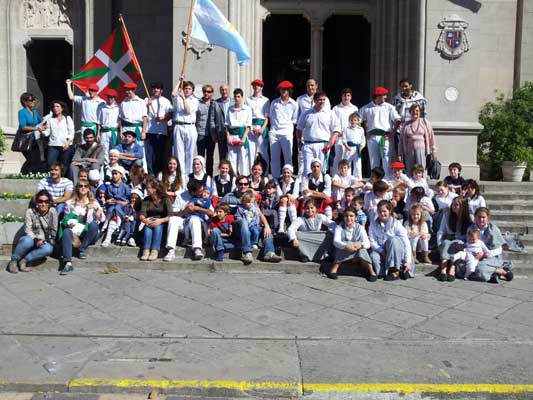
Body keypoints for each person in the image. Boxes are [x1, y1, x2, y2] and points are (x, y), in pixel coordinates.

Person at [59, 179, 105, 274]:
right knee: (66, 231)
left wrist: (97, 210)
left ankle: (82, 249)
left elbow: (102, 219)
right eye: (80, 186)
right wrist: (70, 222)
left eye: (85, 186)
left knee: (94, 225)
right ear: (77, 188)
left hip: (89, 233)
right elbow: (66, 219)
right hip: (75, 231)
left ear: (88, 189)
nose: (83, 188)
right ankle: (68, 263)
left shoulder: (94, 202)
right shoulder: (70, 203)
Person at [7, 190, 58, 273]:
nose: (43, 204)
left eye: (46, 201)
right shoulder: (30, 212)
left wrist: (47, 240)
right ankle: (14, 261)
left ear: (49, 202)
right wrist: (36, 240)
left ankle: (24, 260)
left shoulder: (52, 211)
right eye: (40, 201)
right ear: (37, 202)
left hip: (44, 240)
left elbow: (54, 229)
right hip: (31, 238)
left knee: (48, 249)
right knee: (27, 241)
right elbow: (28, 229)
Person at [166, 180, 215, 261]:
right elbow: (174, 212)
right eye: (200, 191)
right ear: (192, 192)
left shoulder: (204, 196)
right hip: (184, 221)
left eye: (202, 190)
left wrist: (198, 208)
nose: (202, 192)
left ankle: (197, 249)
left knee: (194, 219)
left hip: (199, 223)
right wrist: (185, 211)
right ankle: (171, 250)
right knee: (173, 219)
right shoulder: (181, 196)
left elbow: (212, 213)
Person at [463, 207, 514, 283]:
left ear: (487, 218)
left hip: (490, 257)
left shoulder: (493, 229)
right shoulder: (471, 229)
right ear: (475, 217)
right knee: (461, 266)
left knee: (479, 269)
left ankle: (499, 271)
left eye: (483, 217)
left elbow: (499, 249)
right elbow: (469, 243)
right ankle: (493, 274)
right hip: (473, 256)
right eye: (479, 217)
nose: (481, 219)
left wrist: (484, 254)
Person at [296, 91, 340, 176]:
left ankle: (321, 189)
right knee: (307, 170)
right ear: (314, 101)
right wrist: (299, 142)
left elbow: (336, 129)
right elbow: (299, 129)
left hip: (323, 145)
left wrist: (331, 142)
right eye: (320, 100)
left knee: (322, 170)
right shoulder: (306, 113)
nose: (322, 102)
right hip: (308, 144)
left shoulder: (330, 113)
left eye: (324, 100)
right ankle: (305, 188)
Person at [360, 87, 401, 176]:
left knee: (386, 158)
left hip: (385, 136)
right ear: (377, 96)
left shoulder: (389, 107)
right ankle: (375, 179)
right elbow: (359, 121)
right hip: (372, 136)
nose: (385, 97)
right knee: (374, 159)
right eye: (383, 95)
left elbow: (398, 119)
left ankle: (387, 178)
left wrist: (393, 132)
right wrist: (365, 132)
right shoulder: (366, 108)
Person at [369, 200, 414, 280]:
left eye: (384, 211)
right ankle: (389, 271)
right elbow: (372, 241)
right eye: (380, 211)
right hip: (382, 251)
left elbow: (406, 242)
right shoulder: (373, 224)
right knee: (373, 256)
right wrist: (382, 251)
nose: (382, 214)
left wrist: (408, 261)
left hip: (397, 251)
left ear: (389, 211)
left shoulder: (396, 224)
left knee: (393, 240)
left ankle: (395, 270)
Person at [328, 206, 374, 281]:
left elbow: (367, 243)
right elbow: (336, 241)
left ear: (356, 217)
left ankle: (371, 270)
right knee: (345, 244)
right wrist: (346, 246)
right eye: (346, 216)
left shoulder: (360, 228)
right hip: (342, 251)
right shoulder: (339, 227)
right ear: (343, 217)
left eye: (351, 216)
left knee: (361, 248)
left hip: (356, 252)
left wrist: (360, 245)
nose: (349, 218)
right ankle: (334, 268)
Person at [235, 191, 282, 264]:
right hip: (245, 229)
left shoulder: (254, 206)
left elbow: (261, 215)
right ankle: (247, 252)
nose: (250, 204)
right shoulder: (240, 208)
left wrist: (267, 226)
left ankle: (269, 253)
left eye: (251, 202)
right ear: (243, 201)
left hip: (255, 227)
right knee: (243, 221)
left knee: (266, 231)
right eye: (247, 202)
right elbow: (238, 219)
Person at [436, 196, 471, 282]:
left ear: (463, 206)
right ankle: (443, 270)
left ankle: (452, 267)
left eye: (457, 205)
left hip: (462, 242)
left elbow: (471, 236)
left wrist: (465, 246)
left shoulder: (469, 218)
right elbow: (441, 231)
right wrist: (439, 244)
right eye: (453, 204)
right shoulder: (447, 215)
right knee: (447, 243)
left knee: (456, 243)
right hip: (449, 239)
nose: (454, 206)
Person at [268, 81, 299, 178]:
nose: (283, 92)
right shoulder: (274, 103)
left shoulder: (294, 104)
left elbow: (294, 120)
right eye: (282, 90)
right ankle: (275, 179)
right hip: (274, 132)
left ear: (289, 91)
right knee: (274, 157)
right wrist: (273, 129)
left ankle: (288, 179)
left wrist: (290, 131)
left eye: (285, 90)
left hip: (286, 132)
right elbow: (271, 117)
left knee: (288, 157)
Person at [138, 178, 172, 261]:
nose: (147, 189)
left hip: (162, 222)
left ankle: (155, 250)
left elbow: (170, 215)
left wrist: (160, 221)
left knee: (158, 227)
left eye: (148, 187)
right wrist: (145, 220)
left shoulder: (165, 199)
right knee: (147, 227)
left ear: (155, 189)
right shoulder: (146, 200)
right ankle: (146, 250)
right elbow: (142, 214)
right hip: (150, 220)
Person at [398, 104, 437, 174]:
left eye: (417, 110)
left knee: (421, 170)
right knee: (410, 171)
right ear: (410, 112)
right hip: (409, 151)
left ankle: (422, 184)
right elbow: (401, 141)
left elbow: (431, 137)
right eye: (413, 110)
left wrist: (433, 152)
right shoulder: (406, 125)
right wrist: (400, 154)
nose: (415, 112)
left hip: (422, 151)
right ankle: (411, 185)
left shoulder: (425, 123)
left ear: (420, 112)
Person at [145, 82, 173, 176]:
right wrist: (146, 106)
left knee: (159, 156)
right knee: (149, 156)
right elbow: (143, 115)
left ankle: (159, 175)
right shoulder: (147, 100)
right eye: (154, 88)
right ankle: (150, 174)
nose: (155, 90)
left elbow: (170, 114)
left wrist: (162, 118)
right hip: (149, 132)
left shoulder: (166, 101)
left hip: (161, 133)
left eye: (157, 88)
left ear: (161, 90)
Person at [196, 84, 225, 176]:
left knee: (210, 157)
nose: (206, 93)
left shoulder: (215, 104)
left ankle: (209, 176)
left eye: (208, 91)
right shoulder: (198, 103)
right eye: (204, 91)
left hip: (211, 134)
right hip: (200, 133)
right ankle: (200, 175)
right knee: (200, 157)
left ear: (212, 93)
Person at [172, 80, 199, 176]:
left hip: (190, 126)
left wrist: (183, 98)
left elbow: (188, 111)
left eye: (189, 89)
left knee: (189, 152)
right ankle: (180, 174)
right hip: (179, 126)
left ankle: (188, 174)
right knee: (178, 152)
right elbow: (173, 93)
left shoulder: (194, 100)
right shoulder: (178, 98)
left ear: (192, 90)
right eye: (185, 88)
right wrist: (179, 81)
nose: (187, 90)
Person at [101, 165, 130, 247]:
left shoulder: (125, 186)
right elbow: (108, 197)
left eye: (116, 173)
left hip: (122, 207)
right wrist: (108, 201)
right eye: (113, 174)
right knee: (112, 209)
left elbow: (128, 198)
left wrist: (126, 202)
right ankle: (107, 224)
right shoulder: (109, 186)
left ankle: (114, 229)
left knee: (117, 208)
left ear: (121, 175)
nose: (114, 176)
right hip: (113, 205)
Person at [225, 88, 252, 176]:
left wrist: (244, 138)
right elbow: (227, 125)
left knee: (243, 159)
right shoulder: (230, 109)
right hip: (232, 135)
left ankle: (243, 178)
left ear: (242, 97)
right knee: (232, 158)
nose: (237, 98)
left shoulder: (247, 109)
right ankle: (233, 178)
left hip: (242, 134)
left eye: (238, 96)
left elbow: (248, 126)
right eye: (235, 96)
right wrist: (228, 136)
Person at [331, 88, 358, 175]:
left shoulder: (354, 108)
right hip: (339, 137)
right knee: (338, 157)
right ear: (341, 97)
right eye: (344, 95)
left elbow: (357, 123)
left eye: (348, 95)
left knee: (348, 158)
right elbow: (332, 122)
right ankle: (335, 176)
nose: (346, 97)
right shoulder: (336, 108)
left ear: (351, 97)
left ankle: (347, 176)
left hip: (350, 138)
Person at [43, 100, 75, 172]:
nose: (55, 108)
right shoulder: (50, 120)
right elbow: (47, 133)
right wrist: (41, 131)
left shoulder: (67, 118)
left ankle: (63, 179)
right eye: (54, 107)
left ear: (62, 108)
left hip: (65, 145)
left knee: (64, 165)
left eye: (57, 106)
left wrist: (68, 143)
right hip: (53, 145)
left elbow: (71, 132)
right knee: (50, 163)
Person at [246, 79, 270, 172]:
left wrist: (262, 128)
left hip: (261, 126)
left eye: (259, 85)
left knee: (263, 151)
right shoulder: (248, 100)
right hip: (252, 126)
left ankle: (266, 172)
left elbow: (267, 117)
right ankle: (252, 172)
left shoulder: (266, 100)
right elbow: (247, 115)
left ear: (261, 87)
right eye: (255, 85)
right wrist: (251, 128)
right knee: (251, 152)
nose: (257, 87)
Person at [17, 92, 47, 164]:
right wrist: (37, 128)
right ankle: (25, 174)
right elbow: (23, 127)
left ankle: (29, 174)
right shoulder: (22, 112)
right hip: (25, 140)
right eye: (31, 100)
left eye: (34, 100)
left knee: (36, 159)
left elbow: (42, 121)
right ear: (25, 102)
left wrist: (46, 125)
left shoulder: (34, 112)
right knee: (31, 160)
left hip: (34, 139)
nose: (33, 101)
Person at [96, 89, 120, 165]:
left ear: (114, 98)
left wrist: (121, 133)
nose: (110, 98)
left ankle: (114, 167)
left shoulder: (118, 107)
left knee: (114, 151)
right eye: (108, 97)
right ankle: (106, 169)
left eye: (112, 97)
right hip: (104, 132)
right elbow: (98, 122)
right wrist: (98, 134)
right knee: (104, 151)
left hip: (114, 132)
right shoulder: (101, 107)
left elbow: (120, 122)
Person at [276, 164, 300, 233]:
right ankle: (281, 226)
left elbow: (295, 194)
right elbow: (279, 194)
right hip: (281, 201)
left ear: (291, 174)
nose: (286, 174)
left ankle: (294, 226)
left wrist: (289, 197)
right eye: (284, 172)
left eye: (288, 173)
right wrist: (287, 195)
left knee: (289, 201)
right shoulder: (277, 181)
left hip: (293, 201)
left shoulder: (296, 181)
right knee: (284, 200)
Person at [342, 111, 366, 179]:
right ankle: (347, 178)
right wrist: (347, 147)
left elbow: (363, 140)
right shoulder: (346, 129)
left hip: (357, 149)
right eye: (351, 120)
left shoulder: (361, 129)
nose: (353, 121)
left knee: (357, 165)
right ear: (349, 121)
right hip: (349, 148)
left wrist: (361, 148)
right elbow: (344, 139)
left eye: (355, 120)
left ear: (358, 121)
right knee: (347, 164)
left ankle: (358, 179)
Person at [215, 83, 233, 161]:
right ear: (220, 91)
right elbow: (212, 119)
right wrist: (214, 133)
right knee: (222, 154)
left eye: (226, 90)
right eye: (222, 90)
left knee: (232, 154)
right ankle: (223, 172)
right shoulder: (216, 103)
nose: (224, 91)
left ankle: (232, 172)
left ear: (229, 91)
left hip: (233, 131)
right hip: (221, 131)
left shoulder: (234, 101)